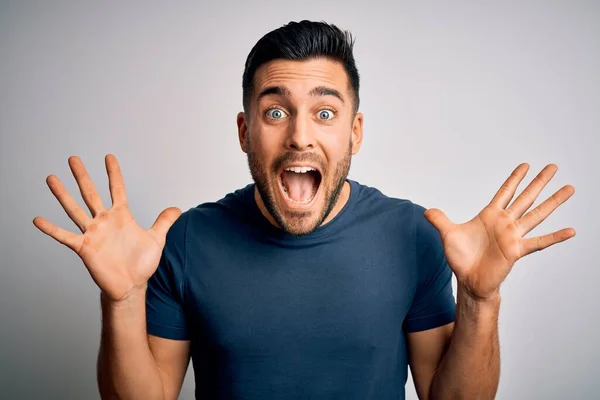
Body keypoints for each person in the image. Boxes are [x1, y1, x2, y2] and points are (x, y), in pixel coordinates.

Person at [33, 20, 576, 400]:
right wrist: (124, 300)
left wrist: (480, 299)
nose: (299, 137)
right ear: (245, 133)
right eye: (275, 111)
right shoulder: (186, 241)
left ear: (354, 132)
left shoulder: (414, 236)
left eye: (323, 111)